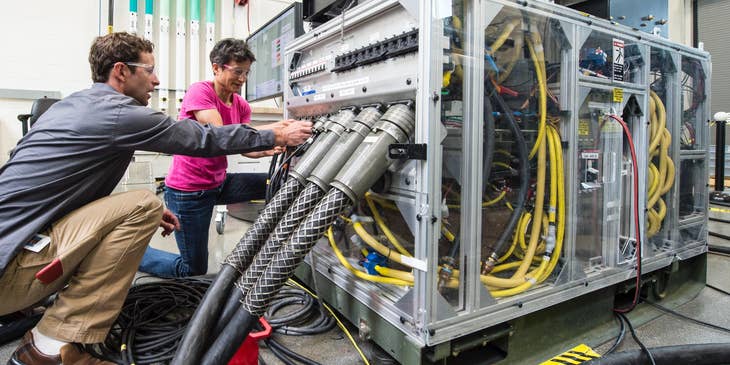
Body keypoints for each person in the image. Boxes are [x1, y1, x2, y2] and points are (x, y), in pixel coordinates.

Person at [0, 32, 312, 365]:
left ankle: (37, 307)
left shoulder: (71, 105)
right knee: (145, 205)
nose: (157, 79)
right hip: (11, 273)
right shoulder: (123, 113)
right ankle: (48, 350)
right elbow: (201, 137)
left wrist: (123, 218)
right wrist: (275, 132)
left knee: (148, 209)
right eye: (149, 70)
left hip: (14, 251)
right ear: (121, 71)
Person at [138, 38, 277, 278]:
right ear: (217, 68)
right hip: (188, 192)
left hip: (219, 183)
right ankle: (139, 256)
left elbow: (246, 147)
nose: (242, 78)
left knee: (275, 182)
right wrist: (274, 133)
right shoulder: (200, 91)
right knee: (192, 268)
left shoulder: (241, 105)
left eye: (246, 72)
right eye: (237, 71)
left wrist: (271, 148)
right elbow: (220, 135)